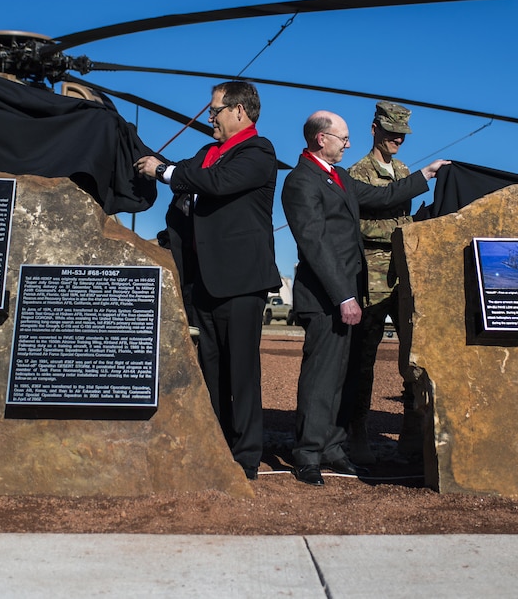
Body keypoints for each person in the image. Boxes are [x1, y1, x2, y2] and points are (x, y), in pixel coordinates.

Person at [281, 110, 447, 485]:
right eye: (343, 137)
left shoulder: (339, 177)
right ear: (321, 139)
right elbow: (314, 244)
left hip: (348, 294)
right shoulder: (299, 181)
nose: (349, 143)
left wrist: (428, 173)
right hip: (326, 297)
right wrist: (343, 296)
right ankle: (307, 453)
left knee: (344, 376)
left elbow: (385, 195)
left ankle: (334, 448)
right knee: (321, 377)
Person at [135, 81, 280, 480]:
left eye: (214, 110)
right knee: (211, 367)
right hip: (204, 281)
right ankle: (216, 444)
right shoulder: (206, 153)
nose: (209, 118)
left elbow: (215, 183)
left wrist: (165, 170)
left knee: (242, 371)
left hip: (241, 281)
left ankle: (247, 455)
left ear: (240, 111)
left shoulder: (258, 151)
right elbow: (187, 190)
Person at [341, 102, 420, 464]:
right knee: (363, 361)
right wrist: (401, 231)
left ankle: (413, 432)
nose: (397, 139)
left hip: (404, 279)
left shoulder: (403, 170)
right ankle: (356, 432)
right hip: (372, 281)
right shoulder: (358, 172)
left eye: (402, 133)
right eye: (391, 132)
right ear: (374, 129)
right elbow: (356, 226)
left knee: (413, 358)